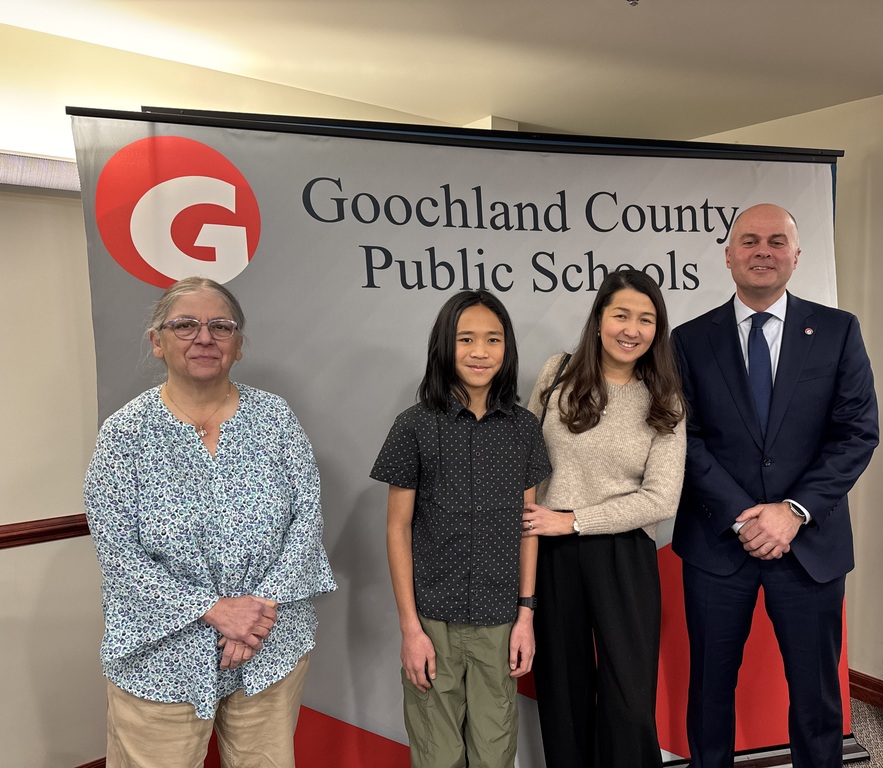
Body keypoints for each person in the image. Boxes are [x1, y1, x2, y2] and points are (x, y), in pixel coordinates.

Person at [83, 276, 336, 768]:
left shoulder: (275, 418)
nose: (204, 337)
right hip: (160, 654)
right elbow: (117, 551)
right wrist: (216, 611)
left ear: (238, 346)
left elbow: (307, 517)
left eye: (221, 326)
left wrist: (254, 615)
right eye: (185, 325)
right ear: (157, 343)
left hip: (269, 642)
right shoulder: (124, 434)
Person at [671, 203, 879, 768]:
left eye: (776, 241)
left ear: (795, 255)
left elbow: (857, 433)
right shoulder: (688, 341)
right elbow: (679, 438)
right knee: (710, 693)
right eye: (750, 241)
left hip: (809, 544)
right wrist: (744, 515)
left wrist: (792, 511)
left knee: (816, 698)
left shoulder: (837, 331)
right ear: (728, 255)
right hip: (718, 544)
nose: (763, 251)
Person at [370, 290, 550, 768]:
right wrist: (410, 628)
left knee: (495, 753)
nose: (479, 351)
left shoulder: (524, 428)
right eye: (466, 338)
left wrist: (526, 616)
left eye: (493, 340)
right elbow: (397, 530)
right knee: (438, 756)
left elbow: (529, 527)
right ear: (443, 346)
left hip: (499, 620)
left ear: (506, 349)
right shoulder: (414, 426)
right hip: (433, 622)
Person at [522, 268, 687, 768]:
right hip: (550, 556)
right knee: (564, 692)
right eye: (621, 315)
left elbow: (661, 499)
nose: (631, 329)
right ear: (598, 320)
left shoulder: (665, 399)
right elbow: (525, 459)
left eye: (646, 319)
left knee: (629, 697)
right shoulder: (557, 374)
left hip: (623, 554)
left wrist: (571, 519)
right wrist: (543, 526)